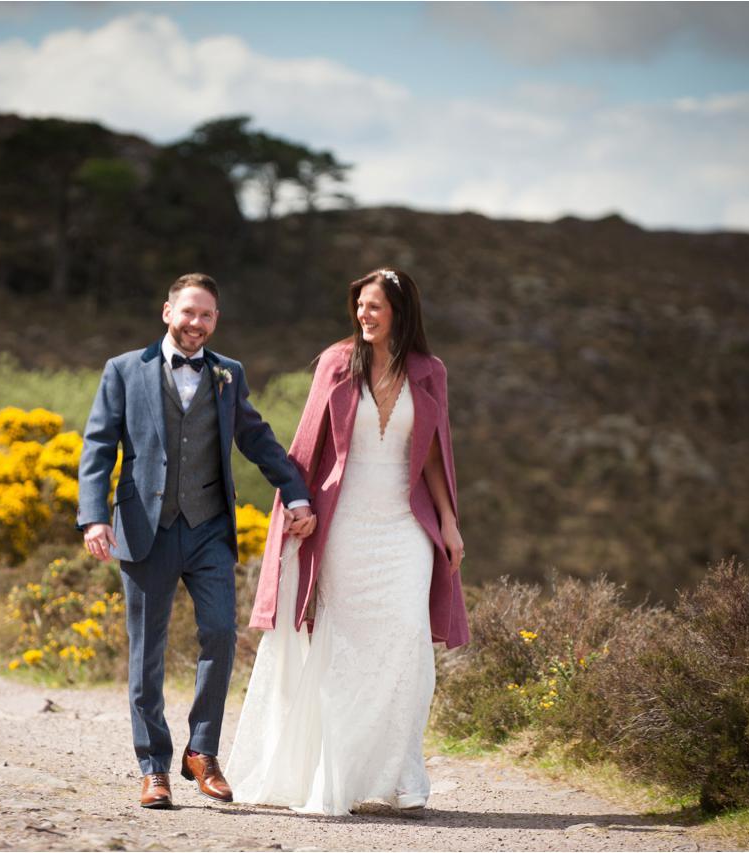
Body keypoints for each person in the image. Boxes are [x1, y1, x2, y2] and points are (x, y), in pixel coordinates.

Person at [226, 267, 470, 815]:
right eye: (359, 306)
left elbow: (434, 452)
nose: (364, 315)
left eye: (375, 307)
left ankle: (403, 774)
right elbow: (307, 442)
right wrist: (297, 503)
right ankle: (336, 770)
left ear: (400, 314)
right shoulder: (337, 363)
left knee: (407, 638)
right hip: (345, 522)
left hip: (406, 523)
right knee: (344, 644)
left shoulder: (431, 372)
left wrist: (449, 523)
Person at [77, 273, 316, 810]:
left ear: (216, 321)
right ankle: (152, 766)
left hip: (209, 529)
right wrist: (94, 517)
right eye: (188, 312)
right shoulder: (122, 371)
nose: (196, 323)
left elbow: (256, 438)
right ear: (168, 312)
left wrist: (296, 494)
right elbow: (97, 446)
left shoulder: (228, 374)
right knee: (148, 653)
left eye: (207, 315)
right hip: (144, 530)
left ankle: (202, 751)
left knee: (220, 635)